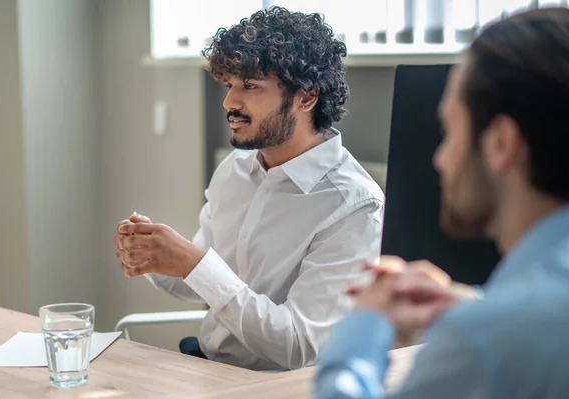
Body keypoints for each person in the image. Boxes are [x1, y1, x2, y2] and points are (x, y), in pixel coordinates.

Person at [315, 7, 569, 399]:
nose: (440, 159)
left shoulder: (485, 336)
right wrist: (478, 306)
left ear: (501, 143)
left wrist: (364, 326)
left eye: (450, 132)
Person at [113, 7, 384, 371]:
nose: (229, 103)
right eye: (230, 85)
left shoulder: (354, 207)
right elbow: (201, 283)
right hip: (209, 370)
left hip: (277, 388)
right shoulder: (235, 170)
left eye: (250, 86)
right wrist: (153, 256)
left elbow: (299, 345)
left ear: (306, 97)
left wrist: (195, 263)